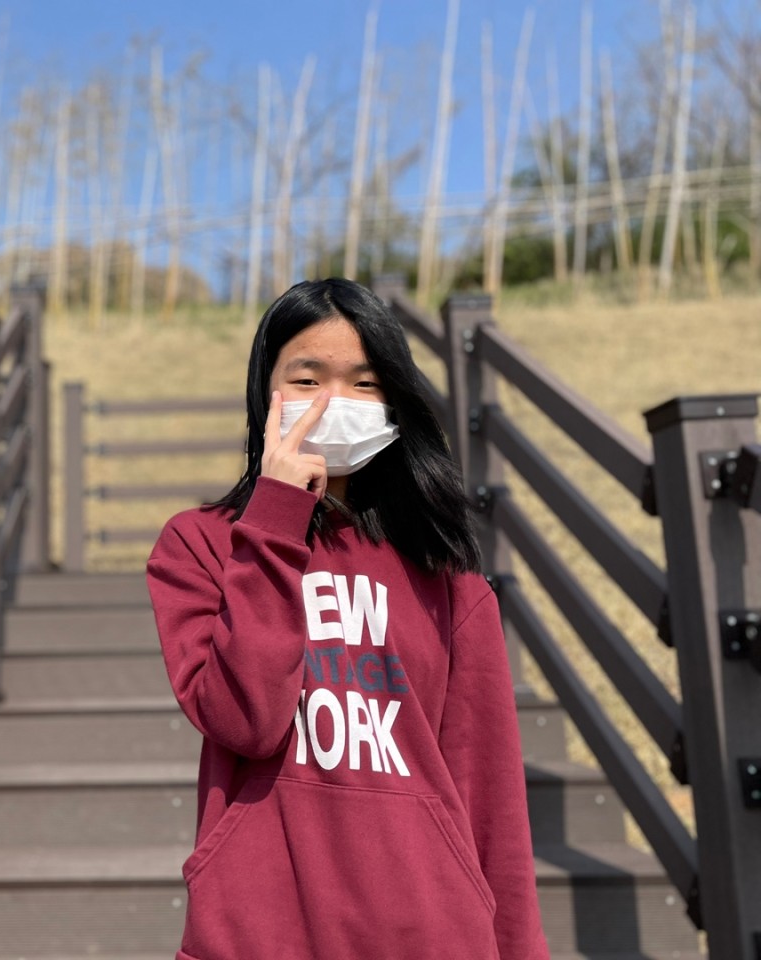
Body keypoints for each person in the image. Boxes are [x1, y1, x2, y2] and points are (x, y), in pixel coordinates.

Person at [146, 278, 549, 959]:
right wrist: (275, 518)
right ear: (265, 393)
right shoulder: (202, 546)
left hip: (429, 934)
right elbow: (247, 719)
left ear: (394, 403)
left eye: (365, 384)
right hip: (258, 933)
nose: (334, 402)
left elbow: (490, 797)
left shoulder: (446, 576)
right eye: (307, 379)